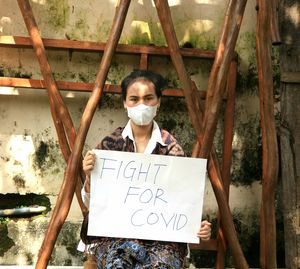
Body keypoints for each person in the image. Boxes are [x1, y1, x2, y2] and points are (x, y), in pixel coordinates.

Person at [82, 70, 211, 269]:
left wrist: (197, 226)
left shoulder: (172, 149)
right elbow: (92, 203)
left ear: (158, 102)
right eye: (134, 99)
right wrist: (90, 177)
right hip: (115, 236)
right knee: (117, 264)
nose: (141, 104)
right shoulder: (109, 146)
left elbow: (183, 204)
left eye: (148, 98)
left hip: (163, 241)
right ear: (125, 103)